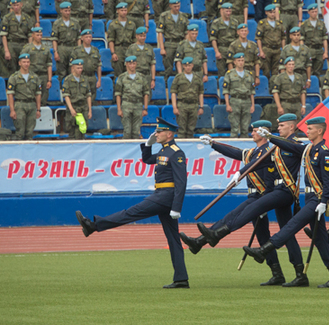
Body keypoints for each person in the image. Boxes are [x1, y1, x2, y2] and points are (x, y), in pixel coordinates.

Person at [76, 117, 190, 289]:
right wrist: (148, 144)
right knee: (173, 239)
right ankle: (181, 279)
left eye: (159, 132)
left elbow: (181, 182)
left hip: (165, 197)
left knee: (131, 213)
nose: (156, 134)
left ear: (169, 134)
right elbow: (147, 160)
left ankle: (94, 225)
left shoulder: (176, 153)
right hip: (161, 195)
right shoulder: (164, 151)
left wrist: (176, 207)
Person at [182, 121, 290, 286]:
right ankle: (277, 274)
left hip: (262, 197)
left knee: (234, 218)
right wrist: (214, 143)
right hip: (254, 197)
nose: (252, 133)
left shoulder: (269, 151)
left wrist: (264, 202)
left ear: (263, 133)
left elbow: (269, 179)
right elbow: (235, 152)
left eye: (255, 131)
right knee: (261, 236)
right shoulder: (253, 152)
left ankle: (202, 241)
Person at [244, 117, 329, 288]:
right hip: (310, 197)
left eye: (311, 128)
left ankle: (264, 250)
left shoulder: (323, 151)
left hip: (317, 200)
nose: (308, 131)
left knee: (292, 225)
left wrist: (324, 201)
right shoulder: (310, 149)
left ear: (320, 131)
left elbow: (327, 182)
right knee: (320, 239)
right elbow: (292, 148)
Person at [7, 53, 41, 140]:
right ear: (19, 63)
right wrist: (12, 110)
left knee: (30, 133)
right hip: (20, 105)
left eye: (28, 62)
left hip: (32, 105)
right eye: (24, 62)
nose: (26, 64)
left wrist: (38, 109)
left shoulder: (35, 77)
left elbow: (38, 94)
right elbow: (10, 95)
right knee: (20, 132)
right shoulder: (14, 77)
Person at [115, 55, 149, 139]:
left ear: (136, 64)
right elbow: (118, 94)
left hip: (138, 104)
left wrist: (145, 108)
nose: (132, 66)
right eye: (130, 64)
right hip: (126, 104)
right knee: (127, 131)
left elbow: (146, 93)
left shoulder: (141, 77)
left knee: (136, 131)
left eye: (134, 63)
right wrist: (119, 109)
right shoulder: (122, 77)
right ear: (126, 64)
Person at [223, 52, 256, 137]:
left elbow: (252, 91)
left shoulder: (249, 74)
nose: (241, 62)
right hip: (235, 100)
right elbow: (226, 90)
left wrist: (253, 105)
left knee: (245, 128)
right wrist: (227, 104)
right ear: (234, 62)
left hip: (246, 101)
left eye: (242, 60)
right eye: (239, 60)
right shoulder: (229, 74)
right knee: (234, 128)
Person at [170, 57, 204, 138]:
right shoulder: (178, 77)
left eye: (190, 65)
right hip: (182, 104)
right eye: (186, 65)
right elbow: (173, 92)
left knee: (191, 129)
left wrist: (201, 107)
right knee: (182, 130)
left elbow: (201, 93)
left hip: (193, 105)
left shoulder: (197, 78)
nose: (188, 67)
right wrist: (174, 107)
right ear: (183, 66)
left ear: (192, 65)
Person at [157, 0, 189, 79]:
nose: (177, 8)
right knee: (168, 67)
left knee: (182, 65)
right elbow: (160, 33)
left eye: (178, 6)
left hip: (180, 42)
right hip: (169, 43)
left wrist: (185, 45)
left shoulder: (184, 16)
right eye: (175, 6)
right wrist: (162, 48)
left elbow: (187, 33)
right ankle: (168, 83)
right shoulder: (164, 16)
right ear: (170, 5)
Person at [1, 0, 34, 76]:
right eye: (14, 5)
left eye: (17, 5)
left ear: (21, 5)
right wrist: (6, 50)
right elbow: (4, 35)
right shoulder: (7, 18)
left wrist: (29, 47)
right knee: (12, 67)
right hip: (11, 44)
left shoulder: (26, 18)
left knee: (24, 66)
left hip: (24, 44)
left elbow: (30, 35)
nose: (16, 7)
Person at [61, 59, 92, 139]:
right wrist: (71, 109)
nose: (80, 70)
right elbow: (66, 95)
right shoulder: (68, 80)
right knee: (72, 132)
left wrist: (90, 110)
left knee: (82, 131)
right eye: (78, 68)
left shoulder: (85, 79)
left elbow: (88, 95)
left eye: (81, 68)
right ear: (73, 68)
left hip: (83, 108)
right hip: (73, 107)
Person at [21, 27, 52, 106]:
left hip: (43, 75)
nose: (39, 37)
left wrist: (49, 80)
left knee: (44, 96)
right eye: (37, 35)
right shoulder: (27, 48)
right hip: (31, 75)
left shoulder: (46, 49)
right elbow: (22, 64)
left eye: (41, 35)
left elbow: (49, 65)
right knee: (31, 95)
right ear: (33, 35)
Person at [126, 26, 156, 99]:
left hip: (146, 76)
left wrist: (153, 79)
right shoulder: (131, 48)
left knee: (147, 97)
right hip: (136, 76)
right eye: (141, 36)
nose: (143, 37)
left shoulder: (149, 48)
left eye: (144, 36)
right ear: (136, 36)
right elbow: (127, 65)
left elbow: (152, 65)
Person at [70, 29, 102, 99]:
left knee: (92, 98)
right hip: (81, 77)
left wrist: (99, 80)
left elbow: (99, 66)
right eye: (86, 37)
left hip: (92, 77)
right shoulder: (76, 50)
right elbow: (72, 66)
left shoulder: (95, 51)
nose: (88, 39)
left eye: (90, 37)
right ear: (82, 38)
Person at [210, 2, 239, 77]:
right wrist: (216, 51)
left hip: (232, 49)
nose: (228, 13)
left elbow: (237, 37)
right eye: (227, 11)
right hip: (222, 49)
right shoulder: (216, 23)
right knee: (222, 73)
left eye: (230, 11)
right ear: (222, 11)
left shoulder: (235, 22)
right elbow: (213, 38)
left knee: (234, 73)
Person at [108, 2, 137, 77]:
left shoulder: (132, 24)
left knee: (130, 73)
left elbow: (134, 39)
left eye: (125, 10)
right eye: (122, 10)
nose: (124, 12)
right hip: (118, 50)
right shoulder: (113, 24)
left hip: (129, 49)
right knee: (119, 74)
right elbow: (111, 40)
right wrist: (113, 53)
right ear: (117, 11)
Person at [257, 3, 286, 78]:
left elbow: (283, 37)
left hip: (277, 49)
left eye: (274, 12)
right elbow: (258, 38)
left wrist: (283, 49)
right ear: (266, 13)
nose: (272, 14)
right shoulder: (262, 23)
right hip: (267, 49)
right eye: (270, 12)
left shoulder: (279, 24)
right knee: (266, 71)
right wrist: (261, 51)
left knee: (276, 72)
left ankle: (274, 88)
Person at [301, 3, 327, 76]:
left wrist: (326, 52)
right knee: (309, 71)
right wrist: (303, 51)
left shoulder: (321, 24)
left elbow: (324, 38)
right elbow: (302, 39)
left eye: (315, 11)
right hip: (309, 49)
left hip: (319, 51)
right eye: (312, 12)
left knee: (317, 72)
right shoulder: (305, 24)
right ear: (308, 12)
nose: (314, 13)